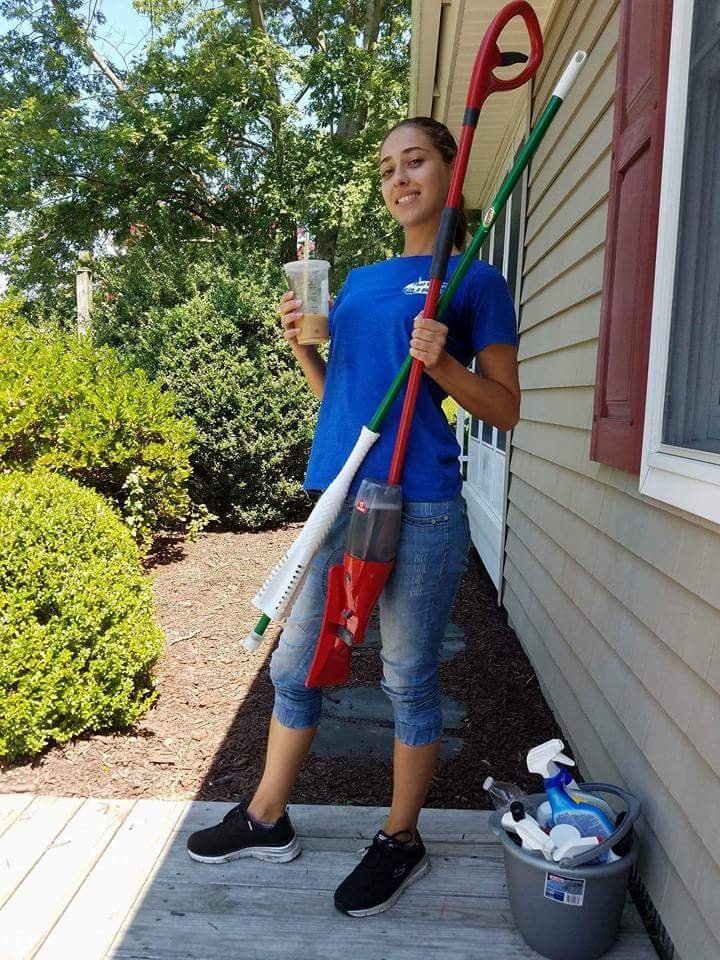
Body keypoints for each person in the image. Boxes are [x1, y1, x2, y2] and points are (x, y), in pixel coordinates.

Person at [187, 116, 521, 917]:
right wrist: (306, 349)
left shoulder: (474, 278)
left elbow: (505, 409)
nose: (399, 178)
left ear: (451, 172)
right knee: (295, 662)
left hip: (422, 502)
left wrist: (443, 364)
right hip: (338, 497)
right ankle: (266, 816)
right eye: (386, 168)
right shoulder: (365, 280)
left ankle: (401, 838)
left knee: (406, 676)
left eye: (416, 161)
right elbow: (347, 402)